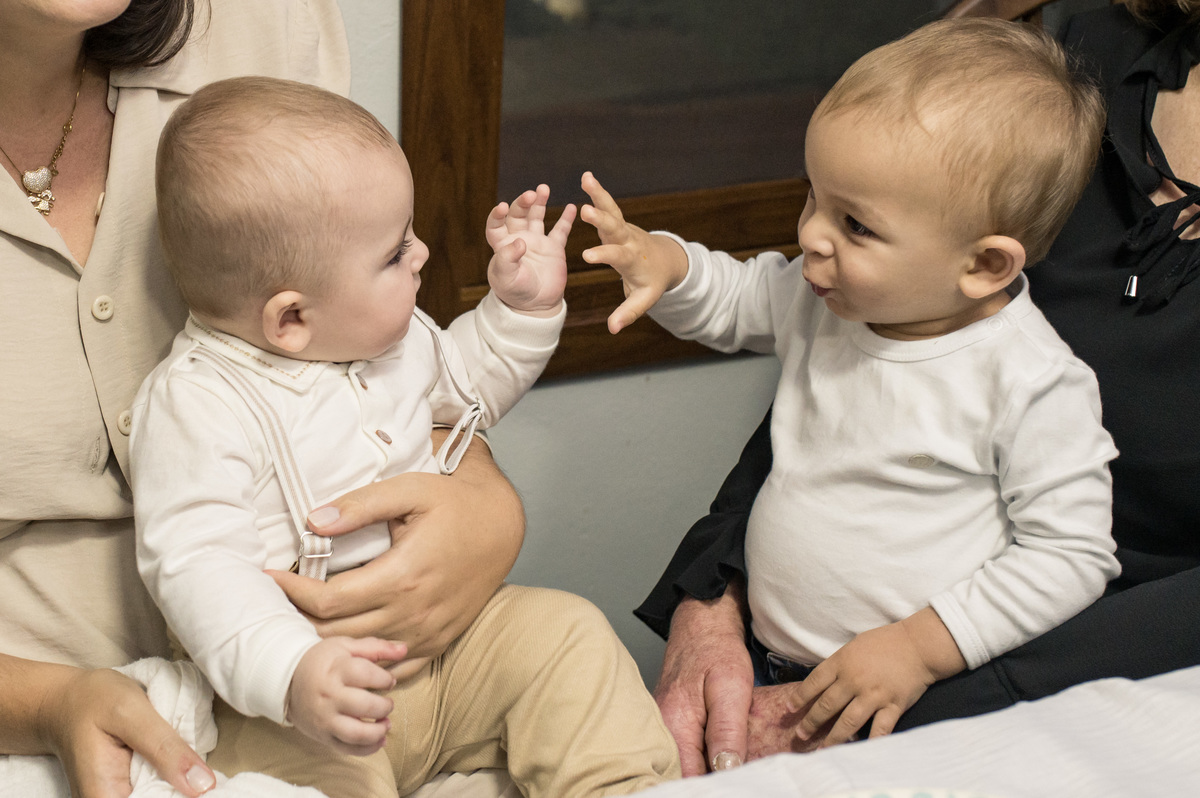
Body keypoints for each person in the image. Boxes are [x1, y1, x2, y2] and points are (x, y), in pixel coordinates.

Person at [633, 0, 1200, 777]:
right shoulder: (1064, 67)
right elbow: (741, 299)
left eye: (855, 224)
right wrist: (664, 263)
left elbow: (1070, 552)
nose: (809, 236)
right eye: (812, 196)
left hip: (921, 682)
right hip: (771, 657)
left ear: (987, 265)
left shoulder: (1032, 380)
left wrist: (915, 653)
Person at [0, 3, 529, 796]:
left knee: (574, 658)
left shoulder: (263, 23)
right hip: (113, 731)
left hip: (377, 669)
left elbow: (375, 367)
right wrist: (47, 705)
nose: (418, 256)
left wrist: (483, 502)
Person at [130, 76, 679, 798]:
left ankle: (623, 787)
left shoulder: (393, 337)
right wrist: (292, 672)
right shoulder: (197, 404)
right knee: (303, 776)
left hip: (447, 653)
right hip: (303, 702)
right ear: (291, 319)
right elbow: (199, 569)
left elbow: (469, 390)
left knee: (567, 634)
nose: (421, 255)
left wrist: (521, 309)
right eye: (395, 254)